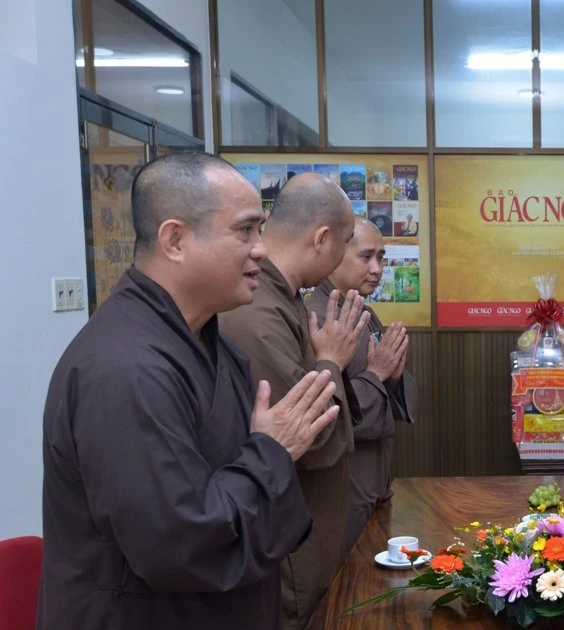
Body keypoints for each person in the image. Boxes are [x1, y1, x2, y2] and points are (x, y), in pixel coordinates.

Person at [39, 151, 343, 630]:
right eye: (245, 231)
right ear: (175, 240)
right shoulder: (125, 369)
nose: (261, 250)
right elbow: (178, 541)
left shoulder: (216, 346)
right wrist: (272, 449)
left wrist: (269, 450)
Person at [219, 172, 368, 630]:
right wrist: (332, 361)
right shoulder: (256, 311)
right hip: (292, 551)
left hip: (313, 528)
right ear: (322, 239)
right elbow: (305, 434)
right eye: (346, 243)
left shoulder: (284, 298)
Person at [305, 217, 418, 551]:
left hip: (377, 472)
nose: (377, 268)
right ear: (336, 253)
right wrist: (378, 373)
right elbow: (328, 410)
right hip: (345, 477)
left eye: (381, 258)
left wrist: (394, 375)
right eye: (366, 256)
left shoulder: (366, 314)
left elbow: (389, 383)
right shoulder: (317, 318)